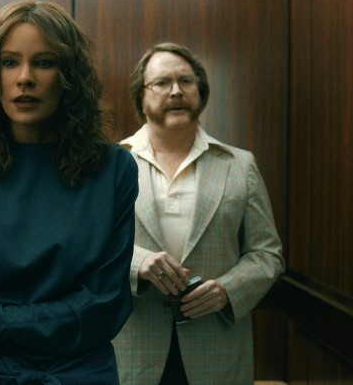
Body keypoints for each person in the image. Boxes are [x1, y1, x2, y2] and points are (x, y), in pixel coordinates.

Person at [0, 0, 139, 384]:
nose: (25, 78)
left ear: (69, 76)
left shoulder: (114, 169)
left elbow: (103, 306)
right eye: (9, 62)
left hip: (79, 374)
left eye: (44, 62)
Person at [112, 42, 285, 384]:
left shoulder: (239, 165)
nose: (176, 90)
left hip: (216, 350)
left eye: (186, 81)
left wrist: (227, 290)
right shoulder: (111, 165)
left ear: (200, 91)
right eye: (162, 82)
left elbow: (267, 254)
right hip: (133, 348)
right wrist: (137, 263)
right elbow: (87, 247)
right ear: (140, 97)